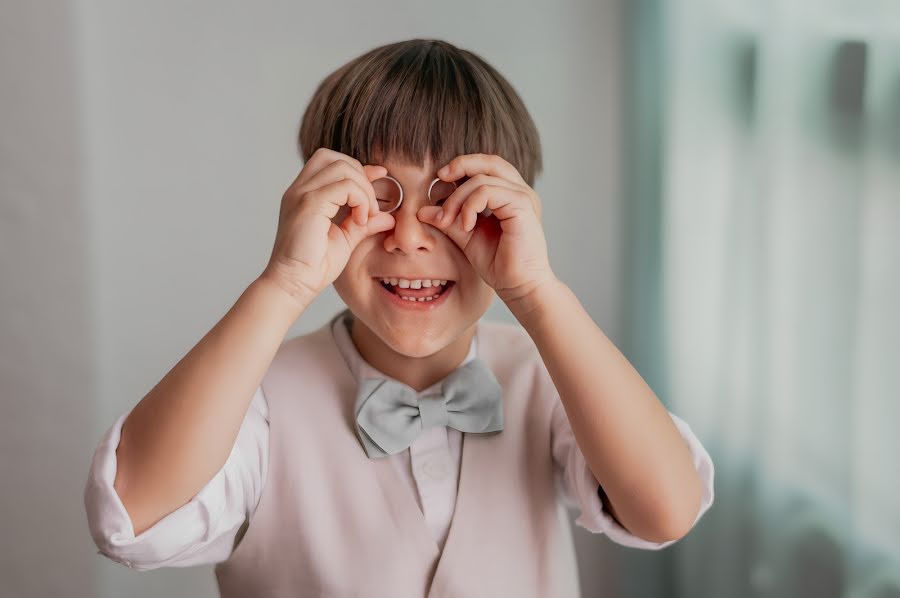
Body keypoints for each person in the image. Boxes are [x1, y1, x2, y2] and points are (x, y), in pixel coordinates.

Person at [84, 38, 715, 597]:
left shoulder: (550, 378)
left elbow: (666, 511)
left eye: (452, 199)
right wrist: (285, 282)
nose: (408, 237)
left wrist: (538, 291)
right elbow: (130, 517)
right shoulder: (259, 400)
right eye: (379, 197)